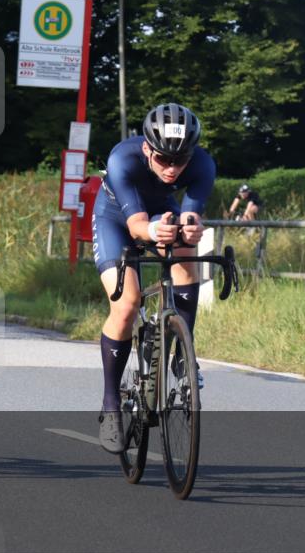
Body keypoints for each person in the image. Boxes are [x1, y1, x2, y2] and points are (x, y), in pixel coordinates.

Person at [91, 103, 215, 453]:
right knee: (127, 304)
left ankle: (181, 355)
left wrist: (191, 231)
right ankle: (111, 405)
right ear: (147, 149)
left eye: (181, 160)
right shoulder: (122, 159)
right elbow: (136, 226)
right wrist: (153, 230)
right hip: (116, 219)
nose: (173, 169)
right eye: (163, 159)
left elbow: (190, 215)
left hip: (161, 214)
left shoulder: (202, 164)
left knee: (187, 250)